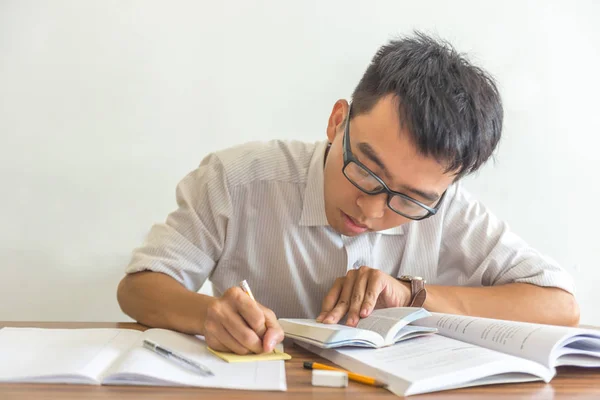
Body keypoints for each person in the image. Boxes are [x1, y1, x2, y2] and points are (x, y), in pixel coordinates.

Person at [117, 32, 579, 356]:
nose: (373, 209)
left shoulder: (447, 211)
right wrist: (208, 315)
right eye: (365, 169)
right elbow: (139, 288)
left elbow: (560, 306)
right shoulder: (238, 179)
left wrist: (411, 295)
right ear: (338, 121)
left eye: (410, 199)